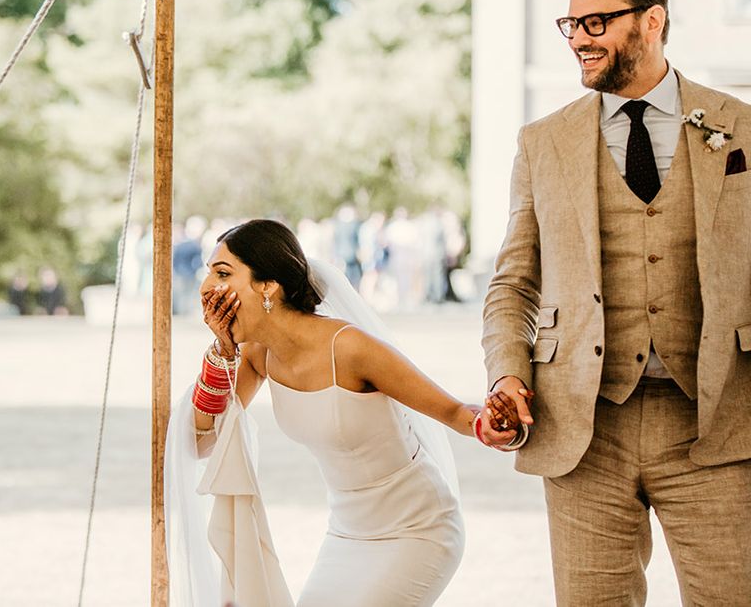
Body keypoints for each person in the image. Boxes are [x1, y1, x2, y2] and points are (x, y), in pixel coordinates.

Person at [480, 0, 751, 606]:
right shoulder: (542, 141)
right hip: (583, 429)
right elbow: (513, 282)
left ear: (652, 20)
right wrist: (506, 374)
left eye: (596, 23)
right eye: (570, 26)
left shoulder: (739, 127)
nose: (579, 40)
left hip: (716, 424)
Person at [165, 219, 523, 607]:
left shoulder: (350, 347)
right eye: (208, 275)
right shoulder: (257, 355)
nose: (206, 290)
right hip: (346, 535)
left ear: (268, 285)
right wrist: (222, 351)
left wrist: (490, 424)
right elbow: (203, 441)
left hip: (417, 530)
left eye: (222, 273)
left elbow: (455, 412)